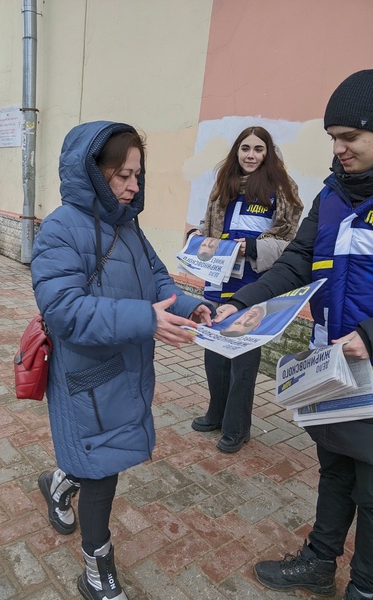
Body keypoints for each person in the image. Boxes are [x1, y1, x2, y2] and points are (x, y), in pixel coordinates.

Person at [30, 121, 213, 600]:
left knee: (98, 457)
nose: (134, 186)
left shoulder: (126, 224)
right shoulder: (59, 229)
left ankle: (57, 481)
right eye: (122, 175)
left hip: (125, 372)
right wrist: (145, 320)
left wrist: (187, 304)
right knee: (102, 472)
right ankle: (97, 571)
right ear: (93, 173)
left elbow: (155, 275)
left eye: (137, 174)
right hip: (86, 379)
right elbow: (64, 310)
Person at [214, 70, 373, 600]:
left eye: (349, 137)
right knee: (334, 466)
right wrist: (243, 301)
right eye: (333, 138)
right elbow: (299, 261)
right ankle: (320, 562)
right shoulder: (331, 196)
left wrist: (370, 336)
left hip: (370, 362)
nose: (338, 148)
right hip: (331, 359)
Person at [191, 126, 303, 453]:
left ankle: (237, 428)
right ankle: (215, 413)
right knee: (214, 354)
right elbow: (208, 228)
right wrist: (195, 241)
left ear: (267, 153)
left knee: (242, 361)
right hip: (217, 283)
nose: (250, 155)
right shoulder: (222, 186)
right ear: (236, 152)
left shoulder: (280, 189)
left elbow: (289, 243)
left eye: (258, 149)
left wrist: (252, 248)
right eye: (245, 149)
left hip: (252, 287)